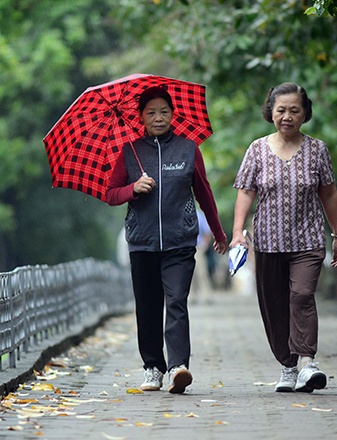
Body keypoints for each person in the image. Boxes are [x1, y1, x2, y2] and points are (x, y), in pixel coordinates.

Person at [106, 86, 228, 394]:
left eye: (164, 112)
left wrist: (218, 232)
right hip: (142, 243)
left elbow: (204, 192)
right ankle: (153, 368)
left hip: (180, 242)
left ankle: (177, 367)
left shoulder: (188, 149)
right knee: (147, 307)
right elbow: (111, 194)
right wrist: (133, 188)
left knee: (176, 301)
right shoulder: (130, 152)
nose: (158, 118)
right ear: (141, 117)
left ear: (173, 115)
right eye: (151, 113)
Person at [230, 82, 337, 393]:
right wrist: (238, 233)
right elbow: (246, 192)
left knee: (302, 296)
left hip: (308, 240)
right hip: (268, 242)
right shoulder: (256, 150)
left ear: (305, 113)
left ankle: (307, 362)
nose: (287, 116)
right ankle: (288, 365)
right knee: (274, 305)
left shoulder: (317, 150)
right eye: (281, 110)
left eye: (295, 110)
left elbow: (329, 193)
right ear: (271, 113)